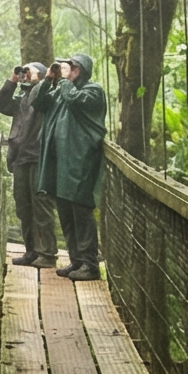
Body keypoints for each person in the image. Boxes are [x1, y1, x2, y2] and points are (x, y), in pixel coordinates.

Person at [35, 53, 107, 279]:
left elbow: (77, 101)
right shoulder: (61, 90)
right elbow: (39, 103)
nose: (67, 70)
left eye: (72, 66)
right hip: (60, 165)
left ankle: (90, 265)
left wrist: (64, 81)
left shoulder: (93, 91)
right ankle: (76, 261)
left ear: (82, 70)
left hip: (80, 164)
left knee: (81, 213)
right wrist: (48, 80)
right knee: (65, 213)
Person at [0, 62, 55, 266]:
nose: (25, 74)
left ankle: (46, 254)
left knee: (41, 206)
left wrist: (42, 77)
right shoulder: (21, 100)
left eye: (29, 71)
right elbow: (0, 104)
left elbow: (41, 94)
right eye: (24, 71)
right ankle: (31, 251)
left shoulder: (43, 96)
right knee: (23, 207)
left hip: (38, 157)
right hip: (20, 158)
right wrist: (13, 80)